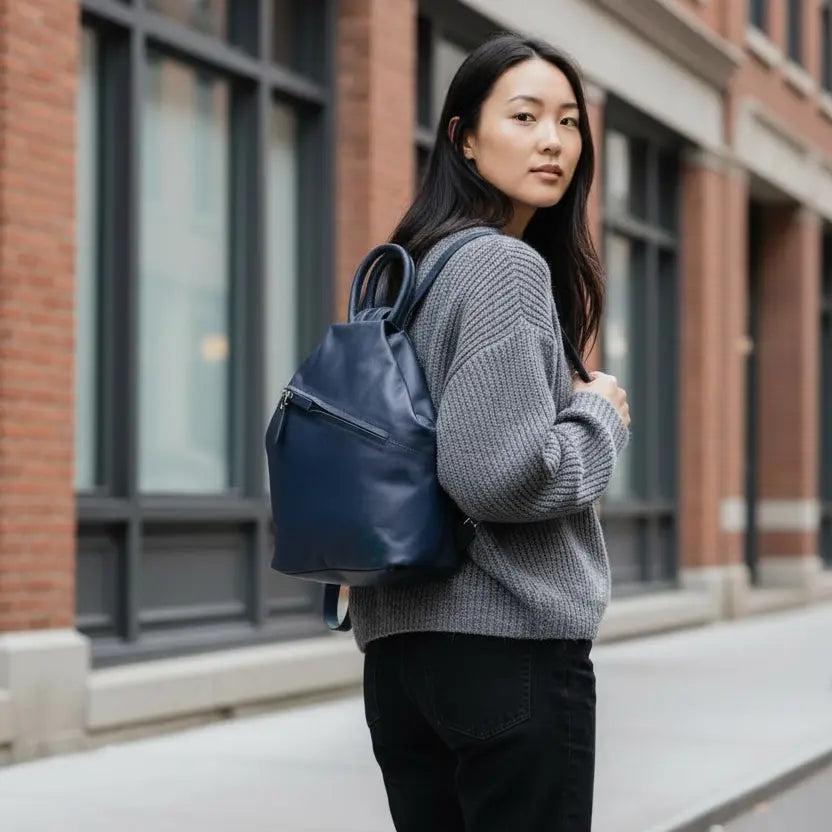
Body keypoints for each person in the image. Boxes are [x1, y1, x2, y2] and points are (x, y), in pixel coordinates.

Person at [348, 31, 631, 832]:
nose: (553, 140)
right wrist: (599, 418)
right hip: (506, 654)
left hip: (401, 660)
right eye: (525, 115)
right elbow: (499, 478)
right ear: (464, 137)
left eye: (570, 122)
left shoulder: (407, 270)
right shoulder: (503, 267)